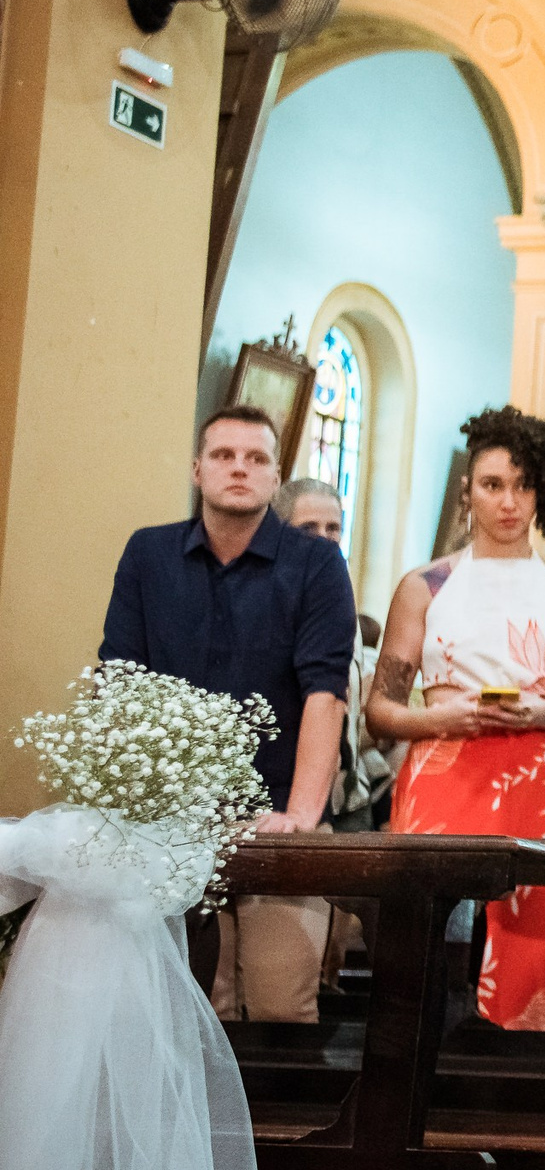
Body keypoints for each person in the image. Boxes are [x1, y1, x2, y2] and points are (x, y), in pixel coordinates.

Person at [101, 405, 355, 1024]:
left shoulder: (317, 564)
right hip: (171, 825)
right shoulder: (149, 554)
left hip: (275, 812)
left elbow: (326, 693)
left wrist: (298, 815)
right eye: (223, 455)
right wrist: (137, 807)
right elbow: (120, 679)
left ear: (275, 478)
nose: (239, 468)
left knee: (278, 1004)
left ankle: (280, 1124)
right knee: (187, 1011)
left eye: (256, 458)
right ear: (196, 470)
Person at [369, 407, 545, 1031]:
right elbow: (379, 710)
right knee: (425, 938)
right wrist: (444, 720)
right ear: (467, 490)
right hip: (444, 769)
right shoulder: (424, 585)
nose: (508, 502)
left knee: (537, 947)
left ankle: (526, 1099)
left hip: (542, 775)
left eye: (524, 485)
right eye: (492, 485)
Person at [276, 476, 395, 831]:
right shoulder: (273, 601)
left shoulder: (339, 597)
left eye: (334, 528)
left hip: (348, 791)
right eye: (309, 527)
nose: (325, 538)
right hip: (291, 797)